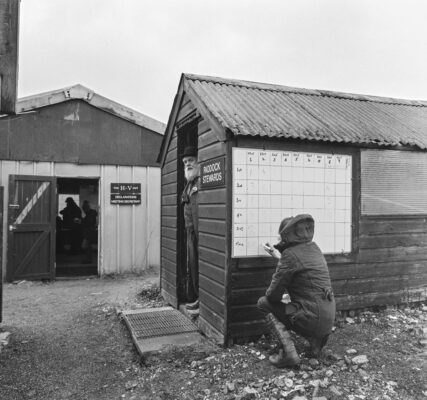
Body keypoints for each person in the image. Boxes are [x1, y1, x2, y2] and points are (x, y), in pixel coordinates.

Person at [257, 214, 335, 368]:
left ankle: (289, 354)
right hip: (326, 320)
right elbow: (300, 267)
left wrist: (280, 267)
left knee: (263, 303)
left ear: (286, 236)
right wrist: (278, 257)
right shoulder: (314, 248)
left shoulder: (290, 256)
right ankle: (315, 345)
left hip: (310, 317)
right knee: (294, 303)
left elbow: (272, 296)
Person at [180, 145, 200, 313]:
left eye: (191, 160)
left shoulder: (200, 183)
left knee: (200, 266)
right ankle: (196, 297)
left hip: (198, 234)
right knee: (192, 266)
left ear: (198, 160)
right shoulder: (189, 184)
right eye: (185, 161)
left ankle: (201, 300)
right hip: (189, 233)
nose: (188, 164)